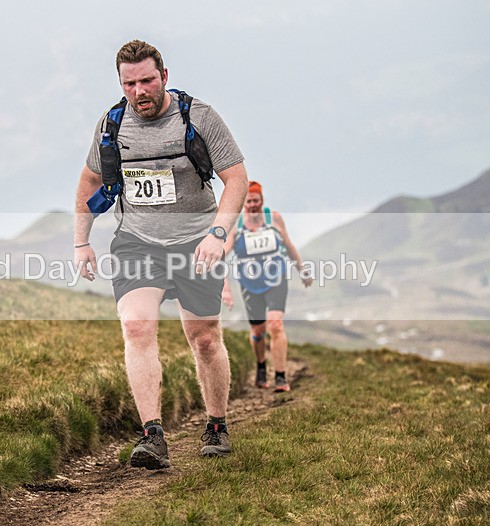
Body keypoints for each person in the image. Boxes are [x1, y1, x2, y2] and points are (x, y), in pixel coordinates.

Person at [74, 40, 248, 469]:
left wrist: (218, 234)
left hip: (197, 242)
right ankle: (152, 435)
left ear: (164, 77)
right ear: (121, 84)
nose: (140, 91)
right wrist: (81, 242)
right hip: (138, 241)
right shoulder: (112, 124)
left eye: (147, 80)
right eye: (129, 83)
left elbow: (237, 179)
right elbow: (88, 183)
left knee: (204, 338)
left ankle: (217, 425)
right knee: (136, 327)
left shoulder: (198, 117)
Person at [222, 181, 313, 392]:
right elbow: (221, 257)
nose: (253, 205)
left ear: (262, 201)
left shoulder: (274, 218)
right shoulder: (237, 224)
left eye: (257, 201)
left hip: (276, 279)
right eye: (249, 201)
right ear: (243, 203)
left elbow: (288, 245)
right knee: (258, 331)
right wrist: (225, 288)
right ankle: (261, 365)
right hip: (249, 284)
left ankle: (281, 376)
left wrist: (302, 270)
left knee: (275, 325)